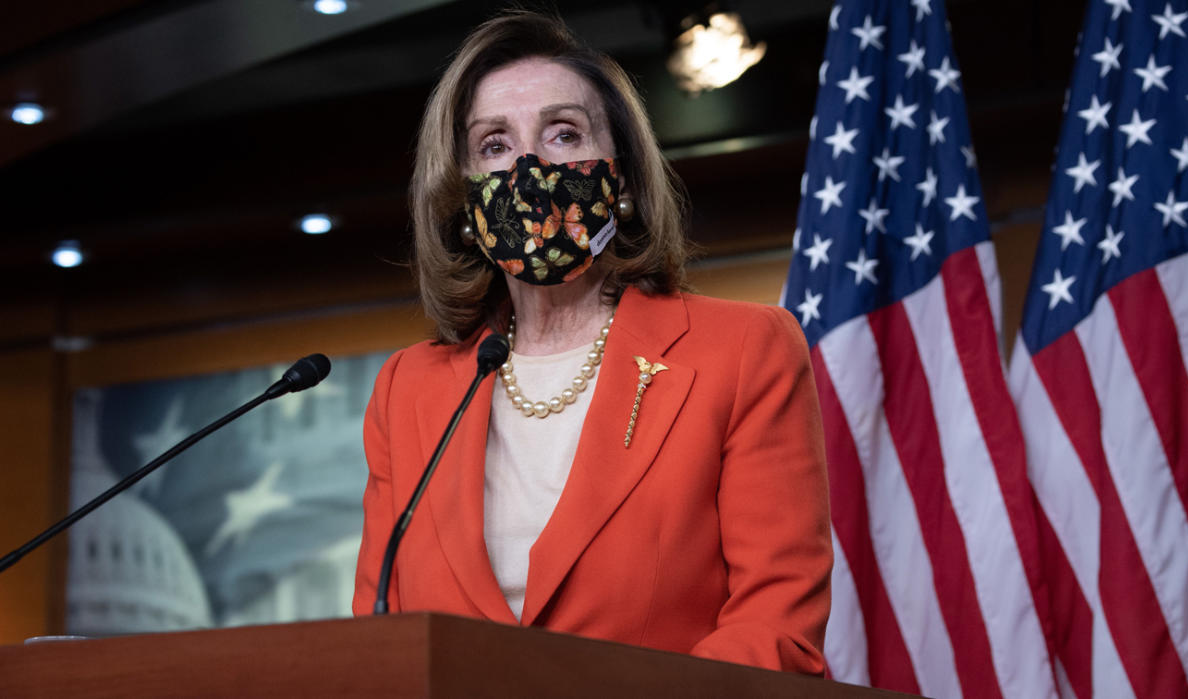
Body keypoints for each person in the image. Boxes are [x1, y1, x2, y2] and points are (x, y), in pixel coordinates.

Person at [353, 9, 832, 675]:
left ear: (625, 179)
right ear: (462, 202)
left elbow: (774, 623)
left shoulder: (744, 350)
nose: (528, 167)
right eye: (494, 145)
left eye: (563, 134)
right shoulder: (408, 389)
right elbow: (382, 641)